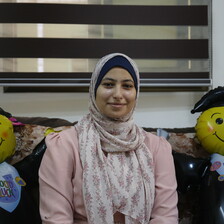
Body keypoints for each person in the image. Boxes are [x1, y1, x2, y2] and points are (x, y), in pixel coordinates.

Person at [39, 53, 178, 224]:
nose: (118, 94)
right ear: (94, 89)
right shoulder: (64, 145)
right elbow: (56, 219)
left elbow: (166, 217)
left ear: (136, 92)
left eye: (127, 86)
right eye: (108, 84)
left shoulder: (156, 147)